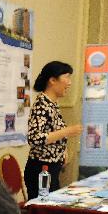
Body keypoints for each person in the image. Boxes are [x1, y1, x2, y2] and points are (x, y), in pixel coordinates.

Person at [25, 61, 83, 200]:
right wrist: (67, 131)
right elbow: (34, 138)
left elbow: (51, 132)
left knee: (51, 206)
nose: (69, 83)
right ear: (52, 80)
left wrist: (63, 150)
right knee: (44, 209)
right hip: (41, 169)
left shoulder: (52, 104)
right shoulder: (42, 104)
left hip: (51, 168)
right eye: (67, 77)